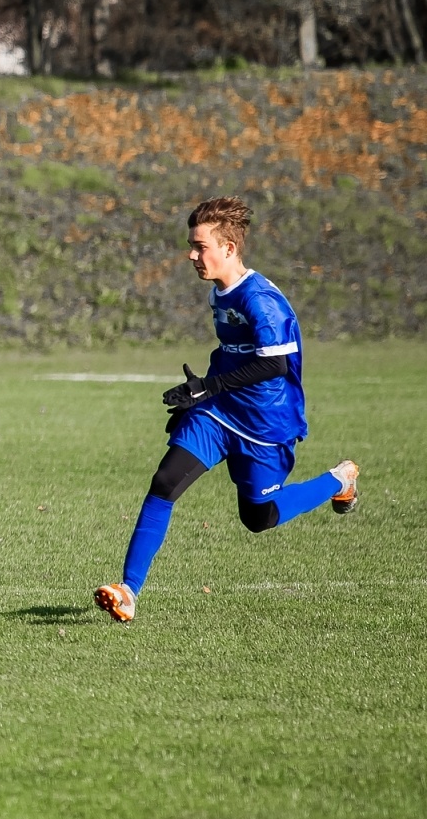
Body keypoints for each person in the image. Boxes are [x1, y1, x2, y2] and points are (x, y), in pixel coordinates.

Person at [95, 197, 357, 622]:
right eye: (191, 245)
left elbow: (274, 363)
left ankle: (339, 480)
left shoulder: (262, 301)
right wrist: (200, 397)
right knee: (164, 482)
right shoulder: (221, 292)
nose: (192, 255)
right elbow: (233, 352)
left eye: (200, 246)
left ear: (229, 249)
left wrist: (210, 385)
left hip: (267, 422)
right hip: (220, 412)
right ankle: (128, 591)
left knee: (259, 517)